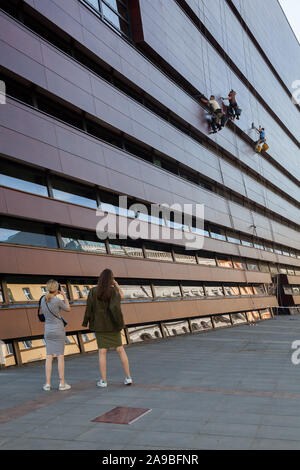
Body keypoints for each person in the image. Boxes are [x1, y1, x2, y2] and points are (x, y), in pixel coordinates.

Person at [82, 269, 132, 388]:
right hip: (113, 325)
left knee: (102, 352)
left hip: (100, 326)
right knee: (120, 350)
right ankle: (128, 377)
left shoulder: (93, 291)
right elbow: (122, 298)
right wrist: (116, 284)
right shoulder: (114, 291)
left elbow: (89, 308)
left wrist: (85, 322)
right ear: (111, 279)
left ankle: (103, 381)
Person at [41, 279, 71, 391]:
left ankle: (48, 384)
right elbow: (68, 309)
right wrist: (64, 295)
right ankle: (62, 383)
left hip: (48, 330)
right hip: (58, 330)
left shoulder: (43, 300)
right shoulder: (57, 300)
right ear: (57, 289)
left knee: (49, 356)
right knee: (60, 356)